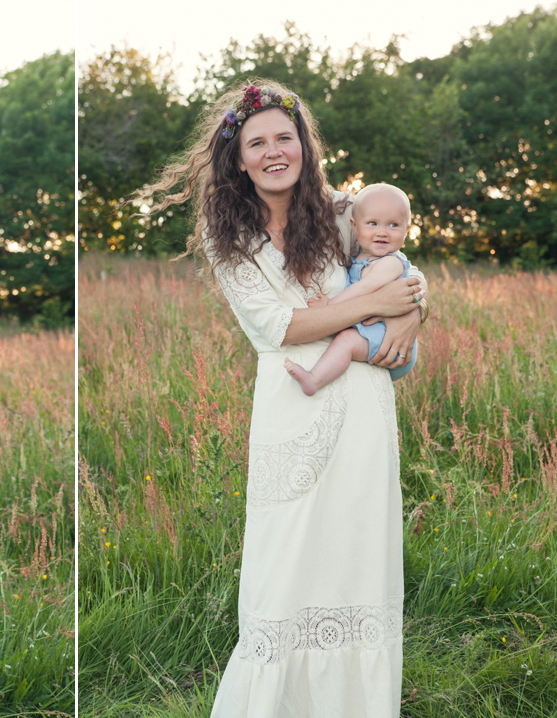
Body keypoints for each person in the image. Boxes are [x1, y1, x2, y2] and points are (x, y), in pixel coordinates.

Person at [136, 81, 429, 717]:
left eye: (284, 138)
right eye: (257, 142)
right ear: (237, 159)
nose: (274, 152)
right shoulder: (229, 237)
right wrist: (377, 306)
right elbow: (279, 327)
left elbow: (398, 259)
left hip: (362, 415)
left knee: (357, 564)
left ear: (304, 146)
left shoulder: (340, 211)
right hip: (289, 415)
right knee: (282, 575)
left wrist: (413, 305)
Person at [284, 182, 426, 396]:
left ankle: (314, 380)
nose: (382, 232)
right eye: (372, 223)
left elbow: (364, 288)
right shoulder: (360, 258)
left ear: (407, 230)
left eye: (393, 225)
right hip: (372, 332)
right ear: (354, 226)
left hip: (390, 339)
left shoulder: (390, 263)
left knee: (346, 342)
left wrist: (329, 306)